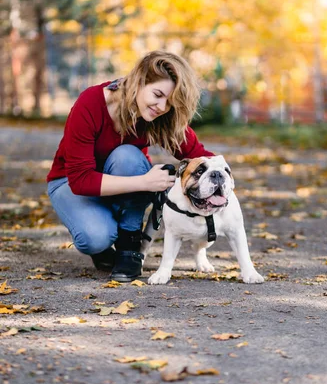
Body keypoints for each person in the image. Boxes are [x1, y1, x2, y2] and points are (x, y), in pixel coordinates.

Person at [47, 50, 214, 283]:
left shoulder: (160, 116)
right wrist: (145, 182)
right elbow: (81, 179)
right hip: (70, 182)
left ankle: (129, 243)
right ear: (140, 80)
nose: (161, 106)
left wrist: (221, 180)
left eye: (169, 102)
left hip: (120, 177)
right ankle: (105, 240)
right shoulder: (90, 103)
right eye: (157, 94)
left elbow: (199, 155)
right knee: (95, 238)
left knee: (127, 156)